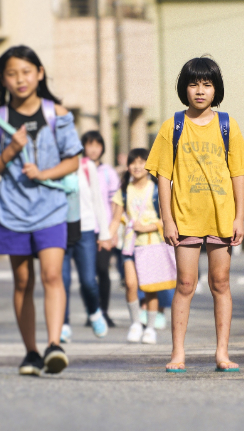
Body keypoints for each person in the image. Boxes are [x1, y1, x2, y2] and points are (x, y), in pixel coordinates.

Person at [0, 45, 82, 376]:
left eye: (27, 72)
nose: (20, 79)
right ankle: (31, 352)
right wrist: (11, 149)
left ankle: (54, 344)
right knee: (22, 281)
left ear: (39, 73)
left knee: (52, 275)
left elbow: (73, 159)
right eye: (13, 73)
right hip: (12, 210)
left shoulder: (56, 114)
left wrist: (45, 174)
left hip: (52, 207)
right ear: (3, 78)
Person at [146, 57, 244, 372]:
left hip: (221, 217)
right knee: (185, 283)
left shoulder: (228, 125)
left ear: (215, 89)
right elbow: (162, 177)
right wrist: (167, 218)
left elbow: (238, 174)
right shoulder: (172, 127)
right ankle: (177, 353)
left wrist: (239, 218)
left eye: (207, 84)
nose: (200, 91)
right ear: (184, 88)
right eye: (194, 84)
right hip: (185, 217)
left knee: (220, 282)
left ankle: (222, 353)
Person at [59, 135, 112, 343]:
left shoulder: (87, 166)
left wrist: (105, 234)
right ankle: (63, 324)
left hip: (86, 230)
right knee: (61, 281)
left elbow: (98, 201)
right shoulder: (53, 168)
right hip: (60, 231)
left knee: (88, 280)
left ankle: (94, 311)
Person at [109, 148, 163, 344]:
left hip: (152, 244)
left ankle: (150, 328)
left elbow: (166, 219)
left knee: (150, 288)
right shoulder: (123, 190)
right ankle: (135, 323)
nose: (137, 166)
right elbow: (116, 219)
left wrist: (148, 227)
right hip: (130, 245)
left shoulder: (158, 189)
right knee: (131, 284)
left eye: (142, 162)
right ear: (128, 166)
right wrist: (108, 236)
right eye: (133, 162)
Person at [80, 131, 121, 327]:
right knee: (87, 273)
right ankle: (92, 311)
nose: (94, 148)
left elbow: (116, 203)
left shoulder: (108, 172)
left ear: (103, 148)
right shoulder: (78, 169)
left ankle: (103, 311)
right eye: (90, 144)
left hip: (104, 229)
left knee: (102, 269)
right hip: (84, 228)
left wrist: (113, 231)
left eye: (97, 144)